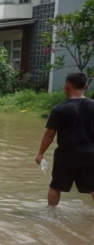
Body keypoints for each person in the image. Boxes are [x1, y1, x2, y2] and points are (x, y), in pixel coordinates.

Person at [35, 72, 94, 206]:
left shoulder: (59, 109)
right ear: (86, 86)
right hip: (91, 154)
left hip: (66, 154)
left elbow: (50, 134)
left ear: (67, 87)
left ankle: (51, 216)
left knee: (55, 186)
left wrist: (40, 154)